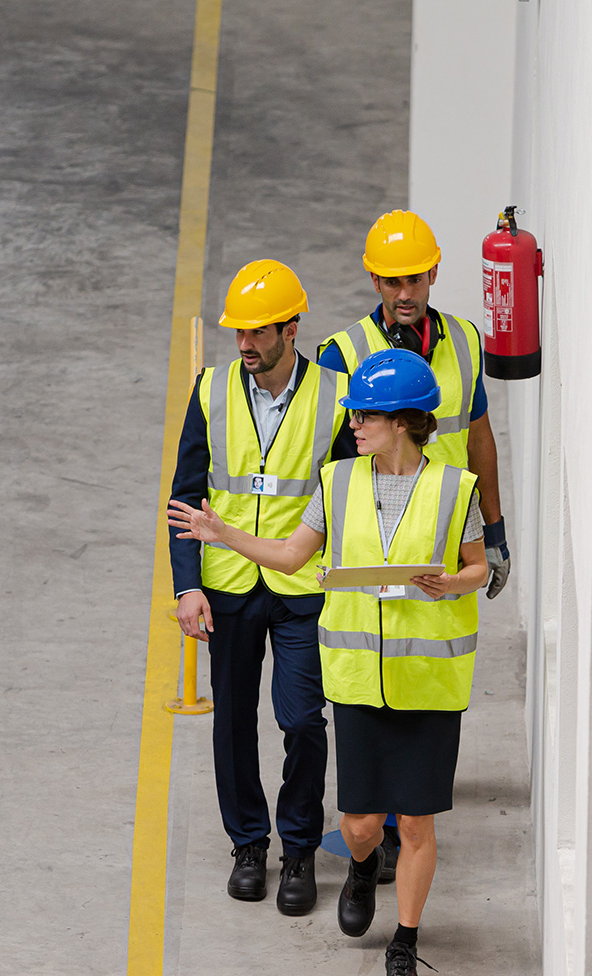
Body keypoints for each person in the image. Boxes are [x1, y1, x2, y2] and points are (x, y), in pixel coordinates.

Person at [168, 349, 488, 976]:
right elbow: (290, 554)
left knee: (420, 825)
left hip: (429, 684)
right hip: (360, 684)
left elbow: (479, 566)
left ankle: (405, 944)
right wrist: (219, 532)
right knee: (363, 822)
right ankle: (364, 864)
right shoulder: (338, 481)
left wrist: (452, 582)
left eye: (365, 414)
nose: (354, 424)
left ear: (402, 421)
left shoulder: (457, 488)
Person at [318, 208, 510, 880]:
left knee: (424, 681)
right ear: (374, 277)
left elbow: (479, 435)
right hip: (378, 544)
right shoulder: (343, 352)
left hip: (443, 547)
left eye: (415, 276)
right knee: (371, 688)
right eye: (391, 278)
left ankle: (403, 831)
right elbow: (341, 459)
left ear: (434, 272)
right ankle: (371, 841)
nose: (405, 291)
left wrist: (494, 526)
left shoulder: (463, 341)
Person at [168, 259, 357, 916]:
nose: (245, 344)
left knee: (303, 720)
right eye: (238, 333)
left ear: (291, 327)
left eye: (258, 332)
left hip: (303, 582)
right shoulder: (211, 389)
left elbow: (345, 493)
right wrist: (187, 585)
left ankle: (299, 846)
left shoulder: (335, 395)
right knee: (231, 724)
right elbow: (184, 495)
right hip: (226, 585)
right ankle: (249, 843)